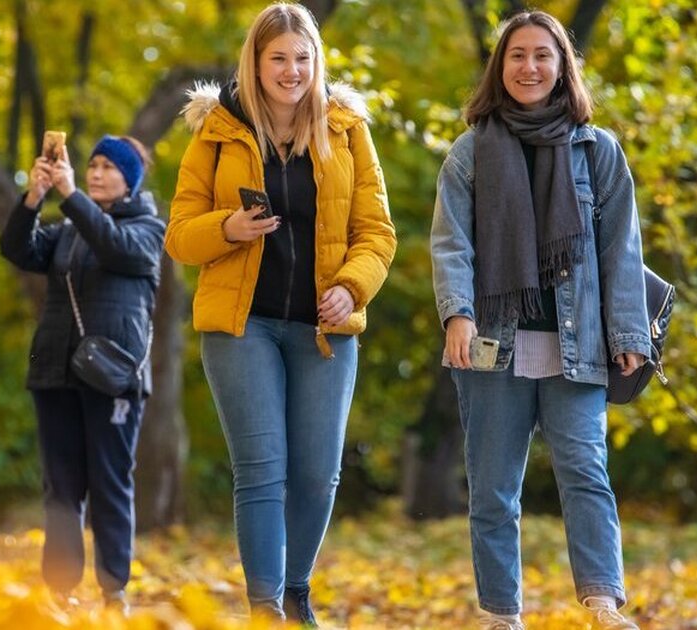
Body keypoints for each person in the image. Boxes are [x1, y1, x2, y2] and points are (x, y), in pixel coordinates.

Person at [165, 2, 396, 624]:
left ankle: (297, 590)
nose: (292, 71)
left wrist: (352, 287)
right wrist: (230, 227)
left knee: (318, 472)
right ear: (256, 62)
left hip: (325, 330)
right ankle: (265, 606)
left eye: (302, 58)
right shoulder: (217, 128)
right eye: (278, 59)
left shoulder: (347, 128)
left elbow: (377, 233)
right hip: (243, 328)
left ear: (316, 61)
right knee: (262, 470)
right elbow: (180, 234)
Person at [430, 10, 649, 630]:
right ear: (501, 68)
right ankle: (502, 614)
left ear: (562, 66)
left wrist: (627, 335)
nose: (530, 66)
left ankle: (603, 603)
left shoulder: (596, 149)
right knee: (494, 490)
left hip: (577, 344)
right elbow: (452, 244)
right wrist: (458, 314)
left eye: (542, 55)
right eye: (517, 55)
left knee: (587, 473)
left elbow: (620, 250)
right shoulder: (470, 152)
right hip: (491, 343)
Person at [0, 134, 164, 616]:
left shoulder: (149, 230)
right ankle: (59, 591)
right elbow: (16, 249)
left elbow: (116, 248)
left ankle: (114, 591)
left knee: (110, 483)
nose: (96, 174)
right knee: (61, 486)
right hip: (55, 370)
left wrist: (69, 196)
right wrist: (34, 196)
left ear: (130, 180)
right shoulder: (66, 230)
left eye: (110, 167)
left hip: (113, 377)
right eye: (91, 165)